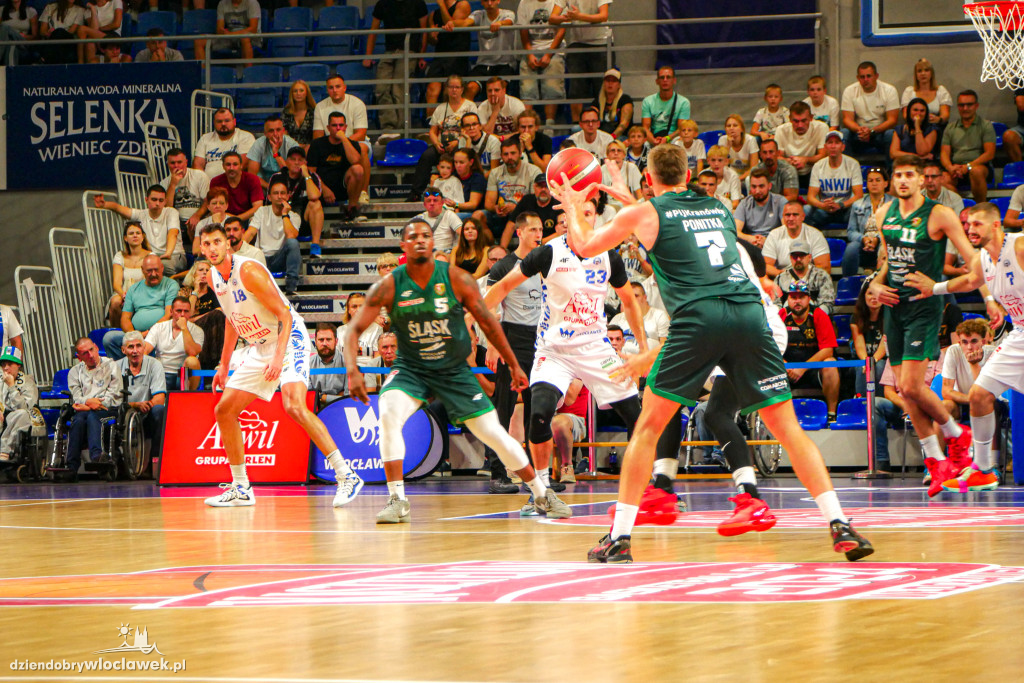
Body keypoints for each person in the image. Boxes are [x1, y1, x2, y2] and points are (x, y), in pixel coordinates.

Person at [555, 146, 872, 563]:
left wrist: (572, 204)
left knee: (648, 427)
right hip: (748, 316)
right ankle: (840, 524)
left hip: (699, 319)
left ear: (648, 179)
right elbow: (670, 224)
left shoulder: (645, 212)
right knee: (789, 430)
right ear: (688, 174)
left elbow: (584, 245)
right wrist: (632, 203)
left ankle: (620, 537)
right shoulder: (719, 208)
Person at [345, 219, 572, 522]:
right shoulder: (389, 285)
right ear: (403, 246)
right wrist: (352, 370)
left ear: (433, 243)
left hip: (452, 370)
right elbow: (353, 330)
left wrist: (513, 363)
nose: (420, 240)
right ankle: (397, 500)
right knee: (387, 411)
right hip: (411, 368)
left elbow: (488, 322)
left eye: (426, 235)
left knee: (494, 433)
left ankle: (542, 494)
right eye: (413, 237)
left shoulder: (456, 279)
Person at [484, 196, 646, 509]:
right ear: (566, 221)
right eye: (576, 214)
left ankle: (646, 486)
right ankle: (541, 491)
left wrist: (642, 349)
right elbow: (503, 287)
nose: (583, 219)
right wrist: (473, 313)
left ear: (595, 218)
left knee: (636, 416)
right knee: (539, 413)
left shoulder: (608, 256)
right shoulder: (548, 253)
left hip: (595, 348)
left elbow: (629, 301)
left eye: (588, 213)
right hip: (554, 349)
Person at [197, 222, 363, 508]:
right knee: (224, 410)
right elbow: (232, 320)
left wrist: (278, 358)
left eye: (217, 242)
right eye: (207, 243)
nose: (212, 248)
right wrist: (223, 365)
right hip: (259, 344)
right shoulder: (213, 278)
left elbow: (285, 316)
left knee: (293, 405)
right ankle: (241, 487)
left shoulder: (248, 271)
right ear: (201, 248)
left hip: (288, 336)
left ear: (228, 244)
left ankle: (346, 474)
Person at [866, 155, 994, 497]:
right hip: (893, 307)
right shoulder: (883, 213)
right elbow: (888, 262)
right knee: (905, 390)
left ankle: (957, 434)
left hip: (924, 306)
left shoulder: (939, 214)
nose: (903, 180)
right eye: (898, 174)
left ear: (922, 179)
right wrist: (875, 284)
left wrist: (988, 298)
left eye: (910, 174)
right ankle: (937, 461)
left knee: (911, 385)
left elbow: (974, 261)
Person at [905, 202, 1024, 493]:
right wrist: (934, 288)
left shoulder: (1019, 246)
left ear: (996, 224)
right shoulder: (983, 258)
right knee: (979, 395)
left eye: (977, 224)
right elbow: (971, 281)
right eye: (968, 225)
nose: (970, 229)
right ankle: (982, 470)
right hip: (1020, 332)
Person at [485, 214, 545, 493]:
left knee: (538, 408)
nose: (538, 233)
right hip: (511, 338)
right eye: (532, 229)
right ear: (519, 233)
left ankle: (538, 475)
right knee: (504, 408)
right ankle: (497, 473)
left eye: (541, 229)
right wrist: (493, 345)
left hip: (541, 340)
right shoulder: (505, 266)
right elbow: (489, 307)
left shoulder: (546, 261)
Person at [363, 0, 428, 132]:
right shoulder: (383, 3)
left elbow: (424, 32)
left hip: (409, 51)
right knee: (381, 88)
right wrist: (368, 55)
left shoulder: (418, 2)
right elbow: (373, 30)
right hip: (389, 51)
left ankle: (402, 130)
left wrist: (421, 55)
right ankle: (388, 128)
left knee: (399, 90)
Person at [64, 338, 121, 482]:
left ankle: (97, 456)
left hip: (108, 409)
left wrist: (89, 404)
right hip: (84, 411)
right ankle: (71, 467)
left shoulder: (111, 366)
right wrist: (89, 403)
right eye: (85, 353)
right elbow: (77, 397)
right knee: (77, 421)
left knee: (92, 417)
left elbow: (113, 395)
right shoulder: (74, 372)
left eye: (91, 350)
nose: (90, 355)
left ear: (96, 347)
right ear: (79, 357)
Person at [310, 74, 372, 208]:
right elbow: (318, 136)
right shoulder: (320, 107)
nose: (334, 90)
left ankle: (363, 192)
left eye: (338, 87)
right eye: (331, 88)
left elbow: (361, 134)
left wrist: (343, 142)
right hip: (329, 143)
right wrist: (332, 144)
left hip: (354, 141)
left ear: (344, 88)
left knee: (362, 149)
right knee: (310, 149)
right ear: (327, 90)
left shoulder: (357, 104)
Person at [780, 281, 839, 418]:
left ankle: (832, 414)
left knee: (830, 363)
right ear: (788, 299)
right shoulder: (781, 315)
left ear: (809, 298)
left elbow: (828, 350)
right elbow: (771, 347)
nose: (797, 301)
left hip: (813, 369)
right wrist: (785, 365)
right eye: (793, 297)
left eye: (801, 297)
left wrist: (802, 368)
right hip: (787, 369)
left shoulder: (819, 315)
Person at [94, 187, 185, 276]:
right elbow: (122, 209)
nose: (157, 203)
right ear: (146, 200)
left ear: (165, 201)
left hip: (175, 255)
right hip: (152, 256)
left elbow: (173, 233)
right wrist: (105, 204)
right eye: (154, 200)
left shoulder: (171, 212)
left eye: (161, 200)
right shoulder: (142, 214)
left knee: (159, 266)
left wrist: (168, 253)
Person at [103, 254, 178, 359]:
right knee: (109, 338)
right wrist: (134, 335)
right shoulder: (133, 289)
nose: (153, 274)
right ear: (142, 270)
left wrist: (148, 333)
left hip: (161, 333)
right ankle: (126, 367)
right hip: (137, 335)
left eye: (156, 270)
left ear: (162, 268)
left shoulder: (171, 285)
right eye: (149, 271)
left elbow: (168, 315)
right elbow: (125, 318)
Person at [549, 0, 611, 125]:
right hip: (577, 42)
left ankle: (603, 123)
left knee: (601, 88)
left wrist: (579, 16)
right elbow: (552, 18)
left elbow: (603, 16)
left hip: (600, 42)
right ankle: (576, 124)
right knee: (576, 89)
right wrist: (565, 17)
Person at [244, 181, 302, 297]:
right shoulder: (262, 211)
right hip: (261, 258)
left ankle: (291, 285)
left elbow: (291, 236)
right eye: (276, 193)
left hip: (280, 259)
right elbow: (250, 233)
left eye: (282, 193)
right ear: (269, 197)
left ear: (288, 196)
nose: (279, 196)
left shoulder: (294, 216)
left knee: (293, 243)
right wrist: (235, 249)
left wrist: (285, 214)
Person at [306, 112, 365, 222]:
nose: (338, 128)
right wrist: (324, 189)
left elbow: (355, 161)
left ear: (346, 127)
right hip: (321, 187)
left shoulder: (352, 144)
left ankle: (352, 208)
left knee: (358, 169)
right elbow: (310, 172)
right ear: (328, 128)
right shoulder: (317, 144)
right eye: (334, 125)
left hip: (344, 186)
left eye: (341, 125)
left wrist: (343, 139)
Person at [118, 331, 167, 462]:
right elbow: (113, 399)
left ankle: (155, 460)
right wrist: (134, 405)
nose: (135, 351)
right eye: (130, 347)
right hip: (123, 415)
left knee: (160, 411)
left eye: (138, 346)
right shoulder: (115, 367)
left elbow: (160, 398)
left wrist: (146, 405)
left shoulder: (155, 365)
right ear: (123, 350)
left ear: (144, 347)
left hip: (146, 415)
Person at [940, 90, 996, 203]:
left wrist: (968, 166)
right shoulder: (950, 128)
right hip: (956, 169)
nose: (965, 108)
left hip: (979, 167)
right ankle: (960, 206)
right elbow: (944, 153)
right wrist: (950, 168)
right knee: (939, 179)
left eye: (969, 105)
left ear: (976, 106)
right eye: (961, 105)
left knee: (976, 172)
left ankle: (980, 207)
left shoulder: (986, 126)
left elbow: (989, 154)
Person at [268, 147, 325, 258]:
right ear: (287, 162)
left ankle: (315, 245)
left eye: (300, 160)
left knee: (316, 204)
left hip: (303, 219)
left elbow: (314, 196)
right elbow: (270, 202)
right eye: (293, 159)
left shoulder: (312, 177)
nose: (297, 163)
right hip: (282, 218)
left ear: (305, 163)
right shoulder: (277, 177)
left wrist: (306, 175)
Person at [517, 0, 565, 130]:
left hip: (553, 50)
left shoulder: (559, 2)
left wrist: (549, 54)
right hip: (531, 49)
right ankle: (527, 125)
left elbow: (562, 30)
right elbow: (523, 31)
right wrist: (529, 54)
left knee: (552, 84)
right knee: (527, 86)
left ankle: (550, 124)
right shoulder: (524, 3)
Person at [485, 138, 541, 243]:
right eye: (505, 154)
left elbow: (535, 203)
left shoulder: (533, 171)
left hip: (524, 214)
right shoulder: (495, 172)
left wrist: (516, 208)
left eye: (513, 153)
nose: (509, 157)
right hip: (501, 214)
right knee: (478, 215)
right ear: (501, 156)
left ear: (520, 153)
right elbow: (488, 203)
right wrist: (496, 208)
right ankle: (492, 246)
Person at [422, 0, 473, 117]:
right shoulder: (433, 15)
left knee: (450, 90)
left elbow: (451, 25)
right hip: (440, 56)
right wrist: (433, 36)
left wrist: (441, 5)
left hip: (457, 56)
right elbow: (431, 41)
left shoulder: (462, 5)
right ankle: (431, 121)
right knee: (432, 89)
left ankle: (452, 120)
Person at [805, 130, 863, 229]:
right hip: (824, 210)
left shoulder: (853, 164)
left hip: (845, 209)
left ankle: (855, 235)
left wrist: (840, 205)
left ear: (843, 147)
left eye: (837, 143)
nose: (833, 146)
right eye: (830, 143)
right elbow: (810, 197)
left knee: (860, 208)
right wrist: (822, 205)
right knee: (806, 209)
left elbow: (859, 195)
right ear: (825, 147)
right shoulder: (818, 166)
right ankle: (811, 236)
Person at [144, 295, 203, 391]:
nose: (182, 314)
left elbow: (192, 352)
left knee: (193, 361)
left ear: (190, 313)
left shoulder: (197, 330)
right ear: (171, 311)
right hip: (162, 372)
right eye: (178, 311)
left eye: (186, 311)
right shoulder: (159, 327)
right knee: (142, 356)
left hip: (183, 373)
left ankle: (189, 396)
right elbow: (145, 349)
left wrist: (184, 328)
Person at [841, 61, 900, 156]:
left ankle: (890, 166)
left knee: (891, 134)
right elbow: (847, 119)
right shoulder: (849, 91)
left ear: (876, 76)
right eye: (862, 77)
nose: (866, 79)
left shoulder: (889, 90)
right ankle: (848, 165)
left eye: (869, 76)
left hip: (880, 132)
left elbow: (892, 120)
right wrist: (860, 130)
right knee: (844, 133)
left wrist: (872, 131)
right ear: (858, 78)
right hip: (858, 133)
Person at [941, 318, 995, 422]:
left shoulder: (994, 353)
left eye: (974, 341)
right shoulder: (953, 351)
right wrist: (970, 399)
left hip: (989, 403)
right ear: (959, 343)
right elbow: (946, 391)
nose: (969, 347)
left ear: (983, 342)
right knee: (944, 407)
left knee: (985, 404)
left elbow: (986, 393)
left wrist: (974, 365)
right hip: (962, 400)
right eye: (964, 342)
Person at [843, 166, 891, 276]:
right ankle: (848, 281)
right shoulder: (857, 204)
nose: (874, 183)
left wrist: (877, 239)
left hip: (884, 241)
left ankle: (881, 278)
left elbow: (894, 229)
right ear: (867, 184)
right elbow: (851, 231)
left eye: (878, 180)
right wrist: (863, 238)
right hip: (863, 243)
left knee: (884, 247)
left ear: (885, 183)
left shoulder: (893, 204)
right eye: (870, 181)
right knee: (851, 248)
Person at [465, 0, 516, 102]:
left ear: (498, 1)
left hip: (504, 64)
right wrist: (451, 24)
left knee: (498, 90)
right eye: (486, 0)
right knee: (470, 88)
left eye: (492, 0)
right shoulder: (478, 14)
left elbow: (509, 22)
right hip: (483, 64)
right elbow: (465, 22)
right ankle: (468, 112)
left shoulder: (507, 13)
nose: (489, 3)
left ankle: (498, 112)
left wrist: (500, 23)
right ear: (481, 2)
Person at [762, 204, 831, 277]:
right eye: (787, 215)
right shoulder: (774, 235)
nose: (791, 218)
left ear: (803, 217)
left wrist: (801, 276)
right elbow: (765, 266)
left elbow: (824, 267)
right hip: (782, 277)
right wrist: (784, 275)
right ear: (783, 217)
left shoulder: (815, 235)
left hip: (809, 278)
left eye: (795, 215)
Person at [0, 346, 43, 463]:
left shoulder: (28, 382)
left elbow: (23, 408)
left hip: (18, 416)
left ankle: (5, 451)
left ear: (18, 365)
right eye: (3, 365)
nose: (6, 368)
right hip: (2, 415)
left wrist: (11, 387)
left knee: (22, 414)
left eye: (10, 364)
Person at [108, 221, 151, 328]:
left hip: (144, 293)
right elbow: (116, 284)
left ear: (143, 237)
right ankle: (118, 332)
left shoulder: (150, 256)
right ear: (125, 238)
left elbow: (150, 282)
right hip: (124, 293)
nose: (135, 235)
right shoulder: (120, 256)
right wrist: (124, 296)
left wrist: (133, 297)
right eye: (131, 233)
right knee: (115, 302)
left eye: (138, 233)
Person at [192, 108, 256, 180]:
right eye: (219, 121)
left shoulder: (245, 137)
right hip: (208, 184)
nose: (223, 124)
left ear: (234, 122)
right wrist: (202, 182)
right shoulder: (205, 138)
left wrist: (221, 182)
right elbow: (197, 165)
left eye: (227, 121)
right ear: (214, 123)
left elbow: (242, 165)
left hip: (234, 182)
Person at [774, 101, 827, 188]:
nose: (800, 125)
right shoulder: (781, 130)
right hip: (788, 170)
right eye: (796, 121)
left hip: (813, 171)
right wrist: (789, 161)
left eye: (804, 121)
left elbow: (823, 156)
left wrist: (805, 160)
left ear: (811, 118)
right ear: (789, 119)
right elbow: (778, 156)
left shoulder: (821, 128)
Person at [162, 148, 210, 240]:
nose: (176, 166)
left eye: (179, 162)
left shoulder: (200, 176)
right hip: (178, 223)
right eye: (172, 163)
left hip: (200, 219)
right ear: (168, 164)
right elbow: (167, 209)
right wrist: (173, 184)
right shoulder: (164, 183)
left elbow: (207, 201)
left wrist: (197, 215)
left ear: (186, 162)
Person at [734, 168, 787, 247]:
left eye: (761, 186)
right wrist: (750, 238)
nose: (757, 191)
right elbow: (735, 231)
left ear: (769, 186)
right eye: (754, 187)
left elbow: (787, 229)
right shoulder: (744, 204)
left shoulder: (780, 202)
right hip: (751, 244)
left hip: (775, 244)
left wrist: (768, 241)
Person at [246, 115, 300, 191]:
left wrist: (276, 153)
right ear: (265, 133)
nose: (275, 134)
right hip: (264, 186)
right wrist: (270, 188)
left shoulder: (292, 145)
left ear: (283, 131)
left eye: (278, 130)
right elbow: (252, 175)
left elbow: (292, 174)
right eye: (271, 131)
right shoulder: (258, 144)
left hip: (287, 186)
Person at [851, 282, 887, 396]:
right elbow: (859, 346)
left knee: (880, 366)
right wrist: (867, 362)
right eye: (870, 293)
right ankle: (861, 401)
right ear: (864, 296)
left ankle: (879, 400)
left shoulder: (890, 317)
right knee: (862, 367)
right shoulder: (856, 318)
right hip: (862, 358)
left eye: (877, 294)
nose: (874, 297)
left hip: (882, 359)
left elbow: (884, 345)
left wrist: (873, 361)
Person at [609, 281, 668, 351]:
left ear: (645, 297)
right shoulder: (617, 319)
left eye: (636, 296)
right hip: (620, 357)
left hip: (649, 357)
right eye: (629, 296)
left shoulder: (659, 316)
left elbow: (665, 346)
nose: (632, 299)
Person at [195, 0, 261, 62]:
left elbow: (253, 29)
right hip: (229, 36)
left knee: (245, 39)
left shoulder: (253, 3)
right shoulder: (222, 4)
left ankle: (249, 70)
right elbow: (219, 29)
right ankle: (203, 70)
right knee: (199, 41)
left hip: (250, 37)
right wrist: (224, 32)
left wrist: (233, 34)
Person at [505, 172, 562, 243]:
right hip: (529, 243)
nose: (543, 189)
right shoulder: (526, 201)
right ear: (534, 187)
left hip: (552, 244)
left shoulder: (558, 204)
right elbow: (511, 225)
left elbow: (562, 231)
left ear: (552, 188)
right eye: (540, 186)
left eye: (546, 186)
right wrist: (502, 248)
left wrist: (539, 244)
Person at [208, 152, 264, 223]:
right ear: (223, 166)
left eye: (235, 164)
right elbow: (214, 206)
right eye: (228, 165)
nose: (231, 168)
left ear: (241, 166)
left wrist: (236, 219)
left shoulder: (252, 179)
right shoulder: (216, 181)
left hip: (247, 218)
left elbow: (258, 206)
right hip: (225, 218)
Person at [641, 66, 689, 145]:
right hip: (654, 137)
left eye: (668, 77)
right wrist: (653, 141)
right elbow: (645, 127)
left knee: (678, 143)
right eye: (662, 77)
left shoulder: (683, 102)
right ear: (657, 81)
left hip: (673, 138)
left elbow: (681, 128)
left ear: (674, 80)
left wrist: (667, 138)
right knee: (643, 144)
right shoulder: (648, 101)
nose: (665, 80)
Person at [900, 58, 952, 129]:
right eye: (919, 71)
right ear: (916, 74)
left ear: (931, 73)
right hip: (913, 127)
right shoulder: (909, 91)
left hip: (935, 127)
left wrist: (938, 119)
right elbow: (906, 115)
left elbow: (945, 115)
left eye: (926, 70)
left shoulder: (941, 91)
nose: (923, 73)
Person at [336, 292, 384, 364]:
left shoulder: (377, 329)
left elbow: (377, 360)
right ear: (348, 310)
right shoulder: (340, 331)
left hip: (369, 370)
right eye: (354, 306)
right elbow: (337, 359)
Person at [414, 187, 463, 254]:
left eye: (435, 200)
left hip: (445, 254)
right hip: (425, 254)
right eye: (429, 201)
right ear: (424, 204)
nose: (432, 203)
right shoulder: (419, 218)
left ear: (442, 203)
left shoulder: (449, 215)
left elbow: (463, 233)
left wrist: (455, 251)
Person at [890, 97, 939, 161]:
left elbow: (922, 151)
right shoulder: (900, 129)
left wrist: (917, 126)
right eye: (915, 110)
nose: (918, 113)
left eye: (922, 111)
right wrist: (917, 157)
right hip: (904, 163)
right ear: (909, 111)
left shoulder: (932, 129)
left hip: (924, 164)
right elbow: (893, 154)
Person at [310, 323, 347, 406]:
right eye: (321, 340)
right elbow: (309, 396)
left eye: (328, 339)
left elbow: (348, 398)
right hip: (315, 410)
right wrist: (336, 396)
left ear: (336, 341)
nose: (325, 343)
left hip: (341, 408)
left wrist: (321, 397)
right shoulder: (308, 364)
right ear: (315, 342)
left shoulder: (348, 363)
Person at [590, 68, 633, 138]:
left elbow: (624, 124)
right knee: (576, 129)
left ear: (619, 85)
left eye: (614, 81)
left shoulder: (625, 100)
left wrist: (611, 137)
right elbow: (590, 120)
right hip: (601, 136)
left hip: (620, 136)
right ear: (604, 83)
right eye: (608, 80)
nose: (610, 83)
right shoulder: (597, 102)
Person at [458, 112, 501, 176]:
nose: (471, 128)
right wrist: (468, 141)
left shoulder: (493, 141)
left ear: (480, 126)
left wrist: (479, 180)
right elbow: (464, 167)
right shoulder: (463, 140)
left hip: (489, 177)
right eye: (467, 125)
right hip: (471, 177)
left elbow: (494, 170)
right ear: (463, 129)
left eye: (474, 124)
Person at [717, 114, 758, 181]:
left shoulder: (750, 140)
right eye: (728, 126)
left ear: (742, 129)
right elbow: (720, 165)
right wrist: (728, 147)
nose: (731, 128)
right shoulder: (722, 140)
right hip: (731, 175)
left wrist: (737, 180)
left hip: (747, 176)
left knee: (748, 179)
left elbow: (754, 167)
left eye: (735, 125)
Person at [0, 0, 38, 67]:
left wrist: (25, 36)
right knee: (12, 45)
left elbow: (34, 36)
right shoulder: (1, 10)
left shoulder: (30, 11)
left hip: (22, 42)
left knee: (5, 27)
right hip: (7, 43)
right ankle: (11, 72)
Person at [451, 148, 488, 218]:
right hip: (454, 210)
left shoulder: (477, 178)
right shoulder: (453, 176)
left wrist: (455, 205)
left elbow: (473, 204)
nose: (458, 165)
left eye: (461, 162)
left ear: (471, 162)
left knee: (454, 217)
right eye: (455, 162)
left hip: (472, 213)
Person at [282, 80, 315, 149]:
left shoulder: (314, 111)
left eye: (301, 90)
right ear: (292, 94)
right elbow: (284, 134)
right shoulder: (286, 112)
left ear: (307, 93)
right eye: (295, 91)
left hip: (311, 149)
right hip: (291, 148)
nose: (298, 93)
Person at [706, 145, 741, 210]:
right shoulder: (703, 176)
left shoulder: (733, 176)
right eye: (713, 160)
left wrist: (719, 210)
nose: (716, 164)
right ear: (708, 161)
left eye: (720, 160)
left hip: (727, 210)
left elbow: (735, 203)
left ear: (726, 161)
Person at [1003, 87, 1024, 164]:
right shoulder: (1022, 80)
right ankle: (1019, 168)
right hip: (1022, 127)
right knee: (1009, 136)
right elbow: (1021, 105)